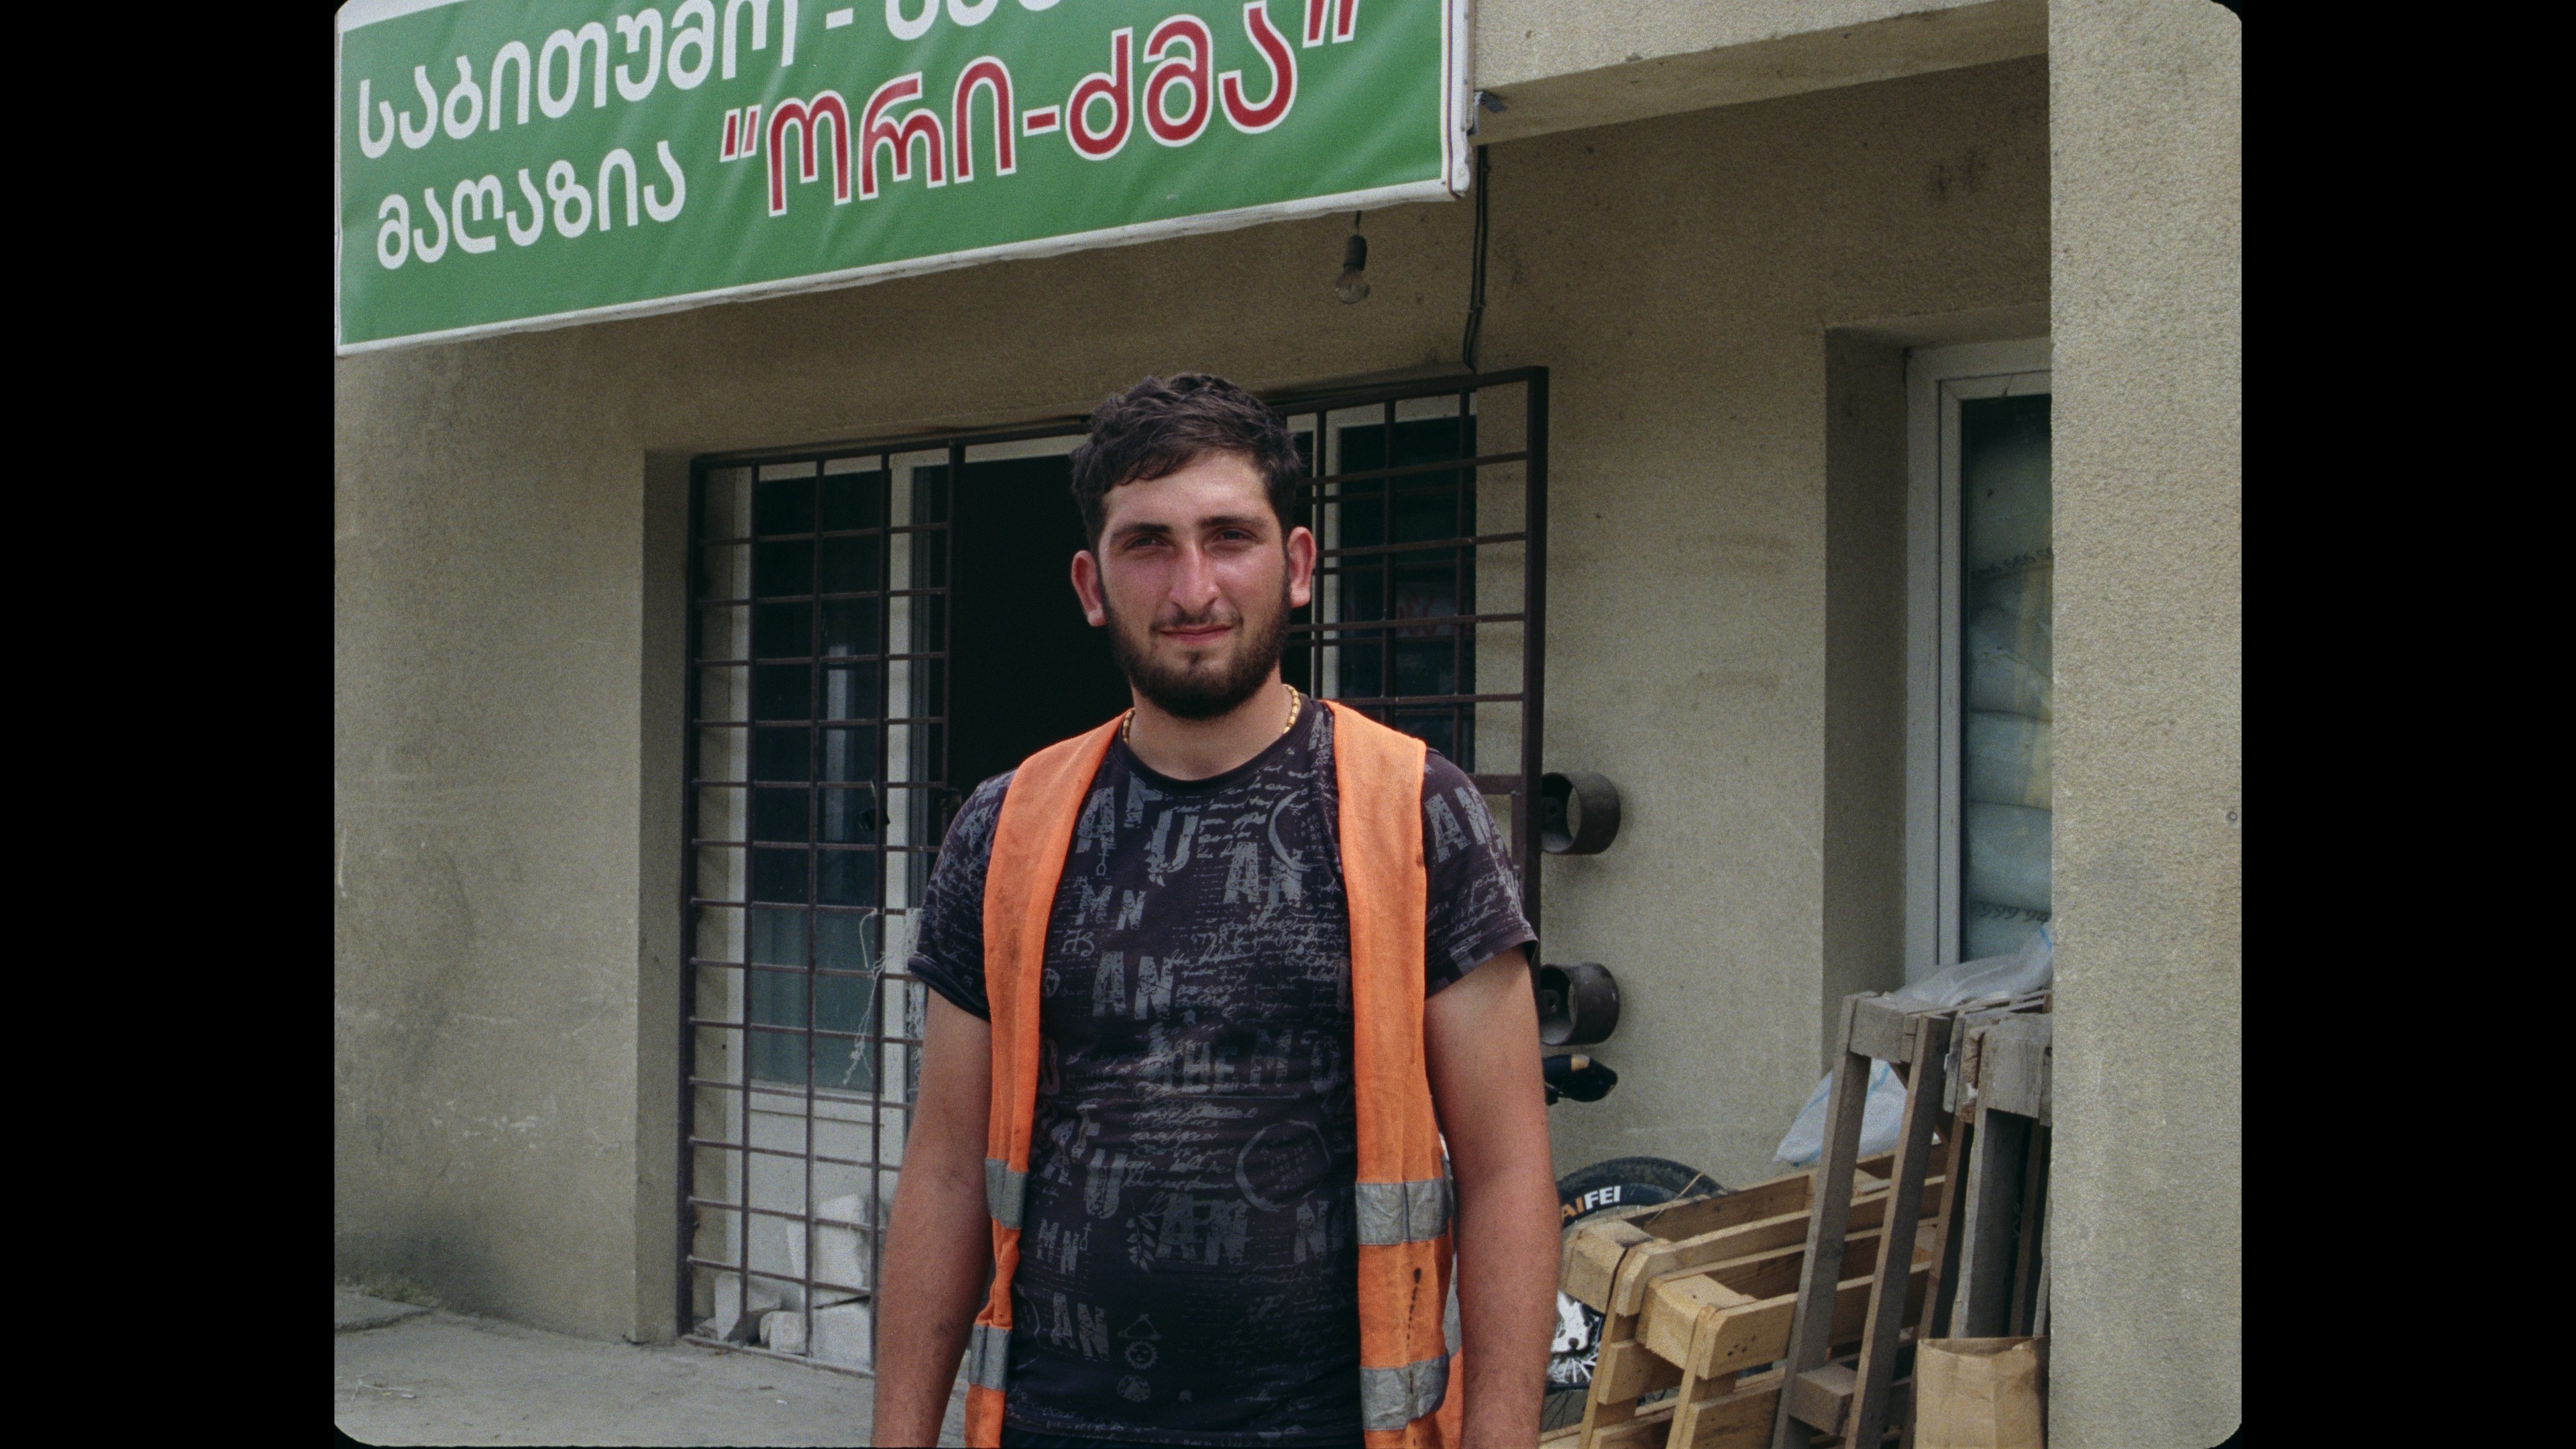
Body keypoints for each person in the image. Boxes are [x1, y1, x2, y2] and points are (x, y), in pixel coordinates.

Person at [871, 374, 1558, 1449]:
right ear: (1093, 584)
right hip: (1054, 1426)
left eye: (1229, 537)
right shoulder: (1005, 830)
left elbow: (1509, 1173)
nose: (1193, 587)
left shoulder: (1418, 814)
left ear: (1297, 566)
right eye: (1149, 544)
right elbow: (949, 1169)